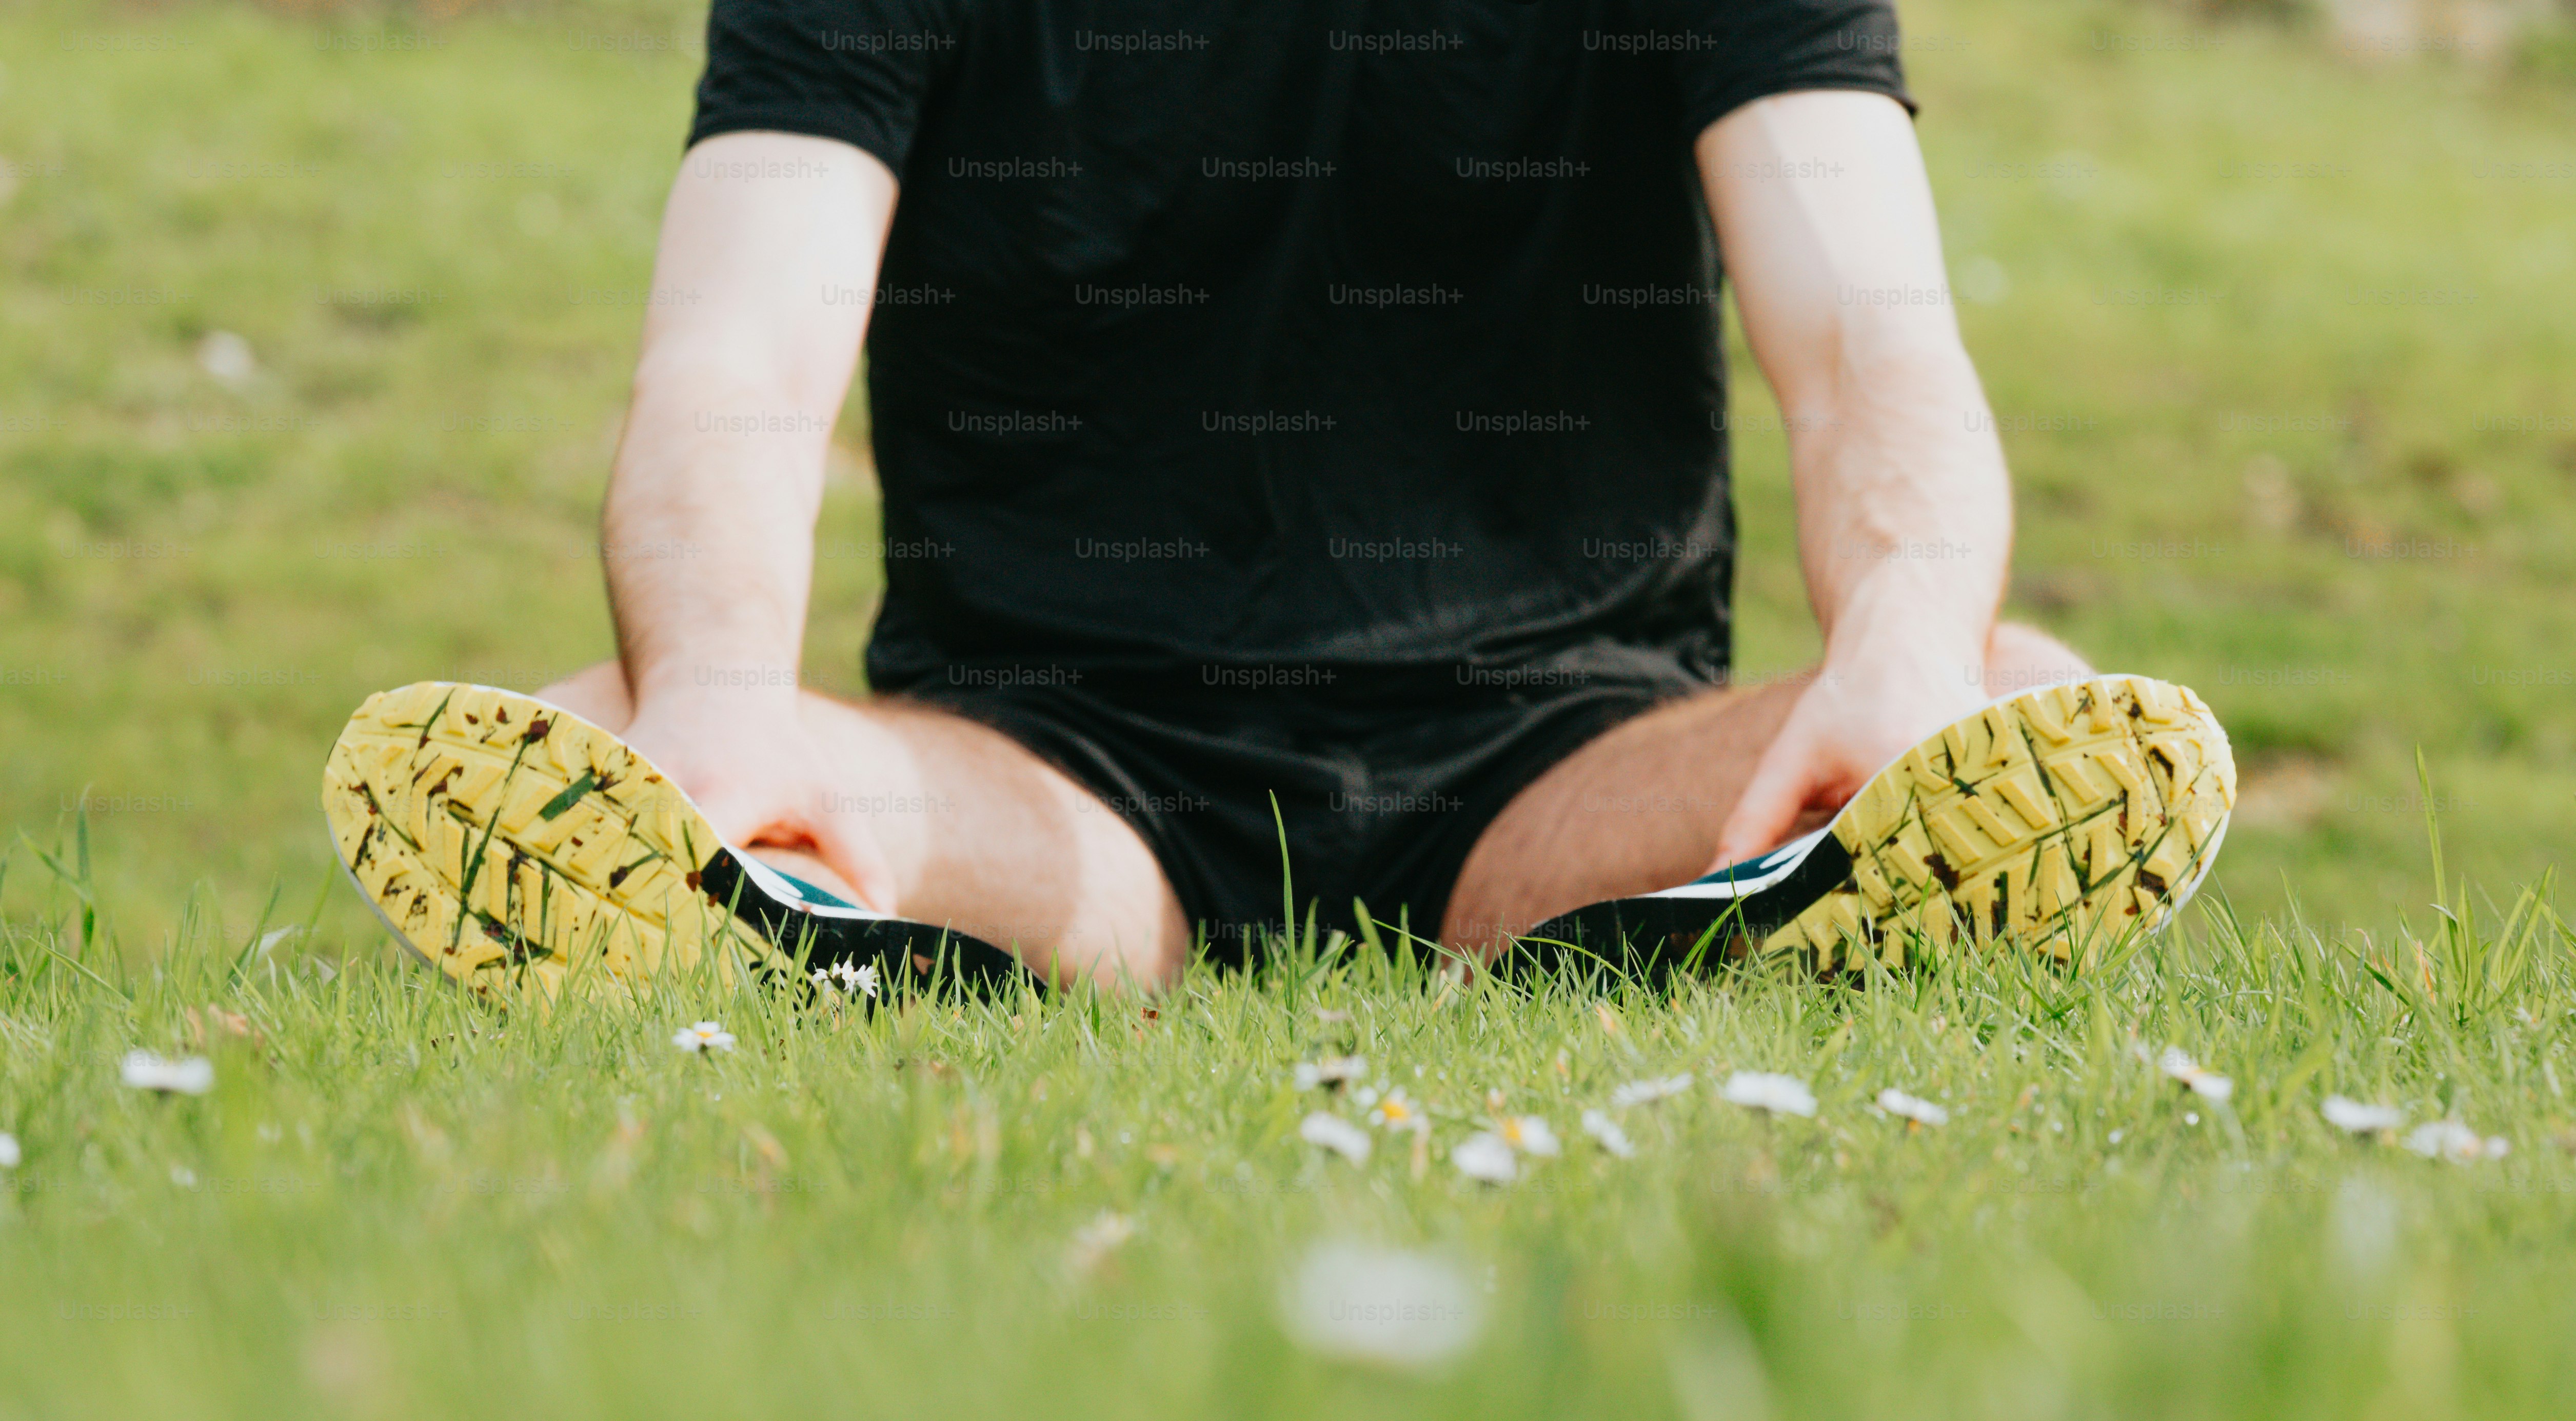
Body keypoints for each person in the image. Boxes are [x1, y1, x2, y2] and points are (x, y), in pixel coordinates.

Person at [326, 0, 2236, 995]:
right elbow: (736, 360)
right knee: (605, 741)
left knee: (2004, 695)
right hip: (1060, 775)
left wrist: (1900, 650)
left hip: (1561, 766)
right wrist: (728, 696)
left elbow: (1873, 344)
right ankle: (791, 889)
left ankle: (1781, 883)